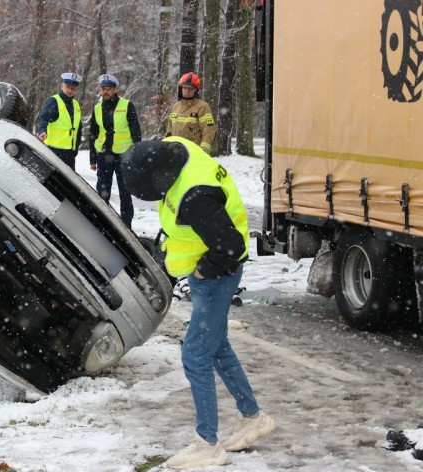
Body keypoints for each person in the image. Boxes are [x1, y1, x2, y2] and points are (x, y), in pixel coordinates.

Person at [121, 136, 276, 469]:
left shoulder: (196, 198)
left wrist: (205, 271)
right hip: (202, 263)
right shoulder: (176, 146)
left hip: (216, 277)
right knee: (216, 345)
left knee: (195, 353)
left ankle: (208, 443)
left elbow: (231, 248)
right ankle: (254, 417)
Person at [88, 74, 141, 228]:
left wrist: (136, 156)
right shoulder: (97, 108)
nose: (105, 91)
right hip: (104, 156)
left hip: (124, 156)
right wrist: (93, 158)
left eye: (108, 89)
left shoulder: (126, 105)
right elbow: (93, 133)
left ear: (115, 89)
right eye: (103, 88)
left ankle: (127, 228)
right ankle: (102, 226)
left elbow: (136, 131)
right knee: (102, 194)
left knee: (125, 194)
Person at [36, 72, 83, 169]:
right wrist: (42, 130)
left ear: (77, 90)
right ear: (62, 86)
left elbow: (78, 128)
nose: (70, 90)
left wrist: (75, 148)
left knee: (67, 183)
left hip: (69, 153)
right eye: (67, 87)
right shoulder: (54, 101)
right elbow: (43, 118)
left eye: (73, 88)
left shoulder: (76, 105)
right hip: (53, 151)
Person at [165, 72, 217, 154]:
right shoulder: (176, 106)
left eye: (190, 88)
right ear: (180, 89)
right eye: (184, 88)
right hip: (175, 153)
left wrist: (202, 152)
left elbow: (208, 132)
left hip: (193, 153)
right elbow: (169, 131)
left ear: (196, 90)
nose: (187, 91)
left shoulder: (203, 107)